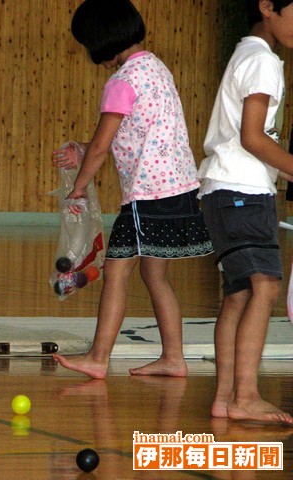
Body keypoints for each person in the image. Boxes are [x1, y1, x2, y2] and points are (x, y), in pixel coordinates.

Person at [51, 0, 213, 379]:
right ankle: (174, 358)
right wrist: (82, 149)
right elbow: (130, 133)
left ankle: (98, 358)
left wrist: (78, 187)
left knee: (116, 273)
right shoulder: (156, 68)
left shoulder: (121, 82)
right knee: (155, 276)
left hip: (148, 196)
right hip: (181, 189)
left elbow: (103, 144)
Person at [198, 0, 293, 424]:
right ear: (268, 7)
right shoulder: (263, 61)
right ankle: (246, 396)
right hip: (243, 191)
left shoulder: (246, 52)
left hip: (221, 190)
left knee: (238, 295)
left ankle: (224, 398)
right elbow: (253, 137)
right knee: (266, 287)